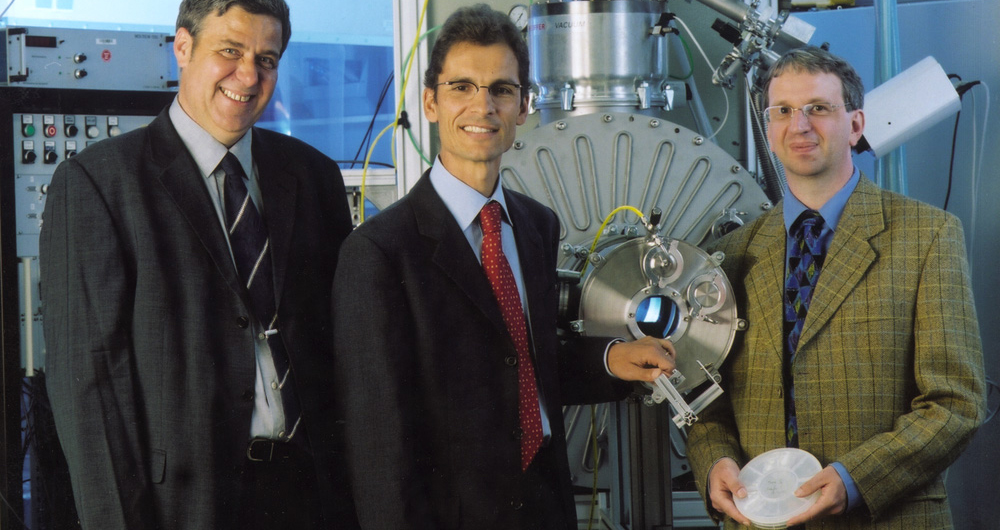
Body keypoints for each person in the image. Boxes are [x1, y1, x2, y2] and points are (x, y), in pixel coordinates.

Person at [331, 5, 677, 529]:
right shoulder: (380, 251)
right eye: (462, 87)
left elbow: (520, 362)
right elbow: (379, 443)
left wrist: (612, 358)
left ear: (524, 106)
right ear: (430, 101)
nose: (482, 106)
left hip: (542, 501)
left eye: (501, 89)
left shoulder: (537, 227)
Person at [39, 1, 355, 528]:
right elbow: (90, 394)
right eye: (229, 51)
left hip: (312, 494)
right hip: (184, 506)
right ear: (182, 47)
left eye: (267, 59)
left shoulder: (314, 176)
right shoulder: (100, 185)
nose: (249, 75)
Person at [684, 46, 986, 529]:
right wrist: (714, 460)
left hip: (887, 518)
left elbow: (956, 403)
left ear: (856, 124)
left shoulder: (926, 236)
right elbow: (706, 401)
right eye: (782, 111)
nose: (798, 125)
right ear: (768, 126)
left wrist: (854, 480)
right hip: (760, 519)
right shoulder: (733, 255)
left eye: (818, 109)